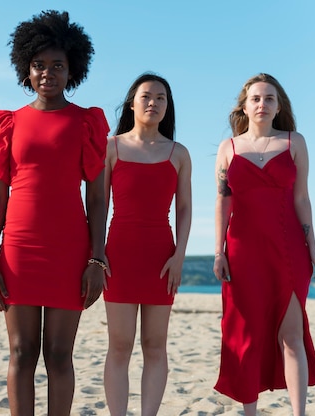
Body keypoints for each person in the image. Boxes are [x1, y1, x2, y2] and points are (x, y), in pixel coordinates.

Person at [0, 10, 109, 415]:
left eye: (58, 66)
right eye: (39, 65)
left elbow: (97, 199)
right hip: (19, 250)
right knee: (21, 353)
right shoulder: (8, 124)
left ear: (73, 70)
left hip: (69, 252)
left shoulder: (86, 123)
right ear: (25, 70)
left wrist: (96, 258)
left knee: (60, 356)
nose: (48, 73)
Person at [213, 73, 315, 416]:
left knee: (291, 334)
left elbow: (302, 199)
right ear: (245, 107)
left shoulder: (295, 143)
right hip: (242, 250)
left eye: (270, 99)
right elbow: (222, 202)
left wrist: (313, 248)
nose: (263, 104)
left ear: (279, 107)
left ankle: (298, 413)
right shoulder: (228, 148)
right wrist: (218, 251)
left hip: (288, 247)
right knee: (247, 334)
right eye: (256, 99)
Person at [102, 73, 192, 415]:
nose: (153, 102)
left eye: (161, 98)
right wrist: (97, 256)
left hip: (162, 257)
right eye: (146, 96)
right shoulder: (111, 147)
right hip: (119, 254)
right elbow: (97, 205)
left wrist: (179, 256)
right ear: (132, 103)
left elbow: (184, 208)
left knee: (155, 346)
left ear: (167, 107)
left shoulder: (178, 153)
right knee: (120, 346)